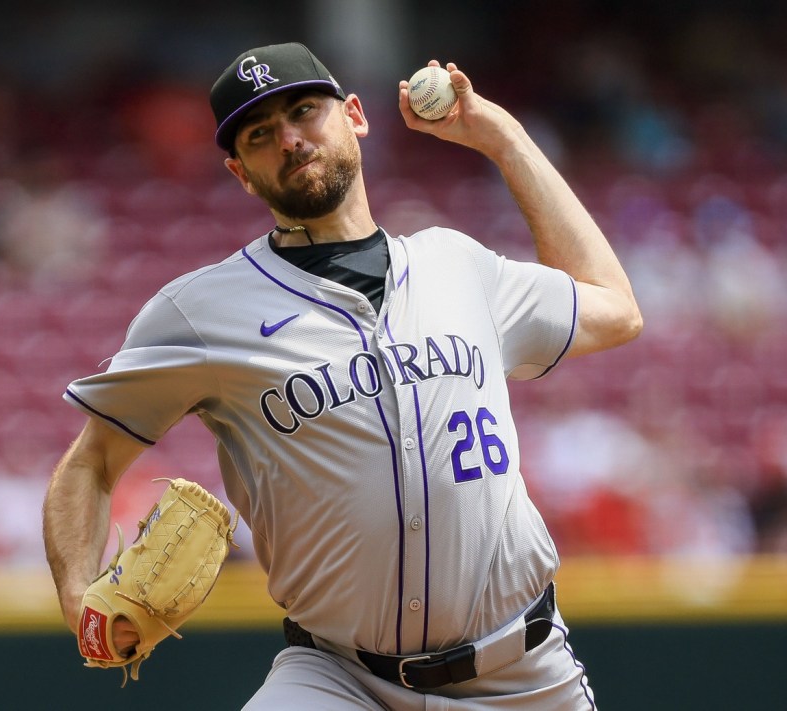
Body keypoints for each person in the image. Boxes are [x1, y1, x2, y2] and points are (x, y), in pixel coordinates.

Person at [43, 41, 642, 710]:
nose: (291, 140)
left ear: (354, 115)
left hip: (524, 676)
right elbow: (90, 463)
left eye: (304, 111)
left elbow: (615, 310)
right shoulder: (200, 312)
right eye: (262, 134)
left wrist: (504, 139)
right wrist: (78, 599)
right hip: (339, 679)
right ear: (241, 172)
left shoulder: (457, 265)